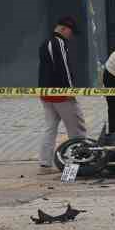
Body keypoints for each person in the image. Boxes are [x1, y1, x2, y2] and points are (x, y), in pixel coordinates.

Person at [37, 15, 87, 172]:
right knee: (77, 129)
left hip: (46, 93)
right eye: (70, 32)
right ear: (64, 29)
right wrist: (69, 90)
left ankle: (45, 163)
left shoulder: (45, 43)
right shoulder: (58, 42)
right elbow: (64, 68)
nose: (71, 36)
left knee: (50, 128)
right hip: (61, 94)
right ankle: (80, 161)